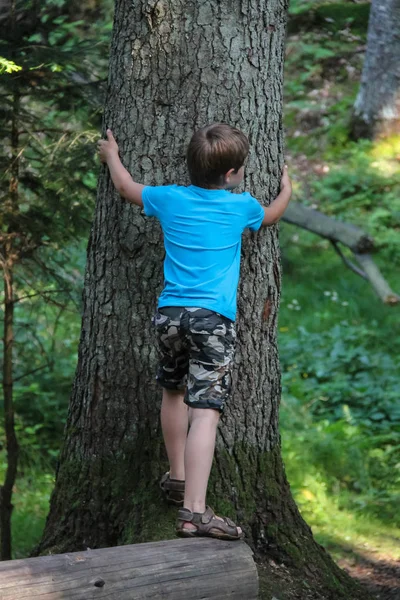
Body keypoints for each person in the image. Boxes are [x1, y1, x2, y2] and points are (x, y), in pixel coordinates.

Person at [98, 123, 292, 540]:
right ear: (231, 175)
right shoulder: (241, 207)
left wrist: (112, 154)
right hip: (212, 320)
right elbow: (273, 216)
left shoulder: (168, 198)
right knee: (205, 410)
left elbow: (127, 188)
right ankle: (195, 513)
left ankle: (177, 477)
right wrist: (287, 188)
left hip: (169, 315)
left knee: (172, 390)